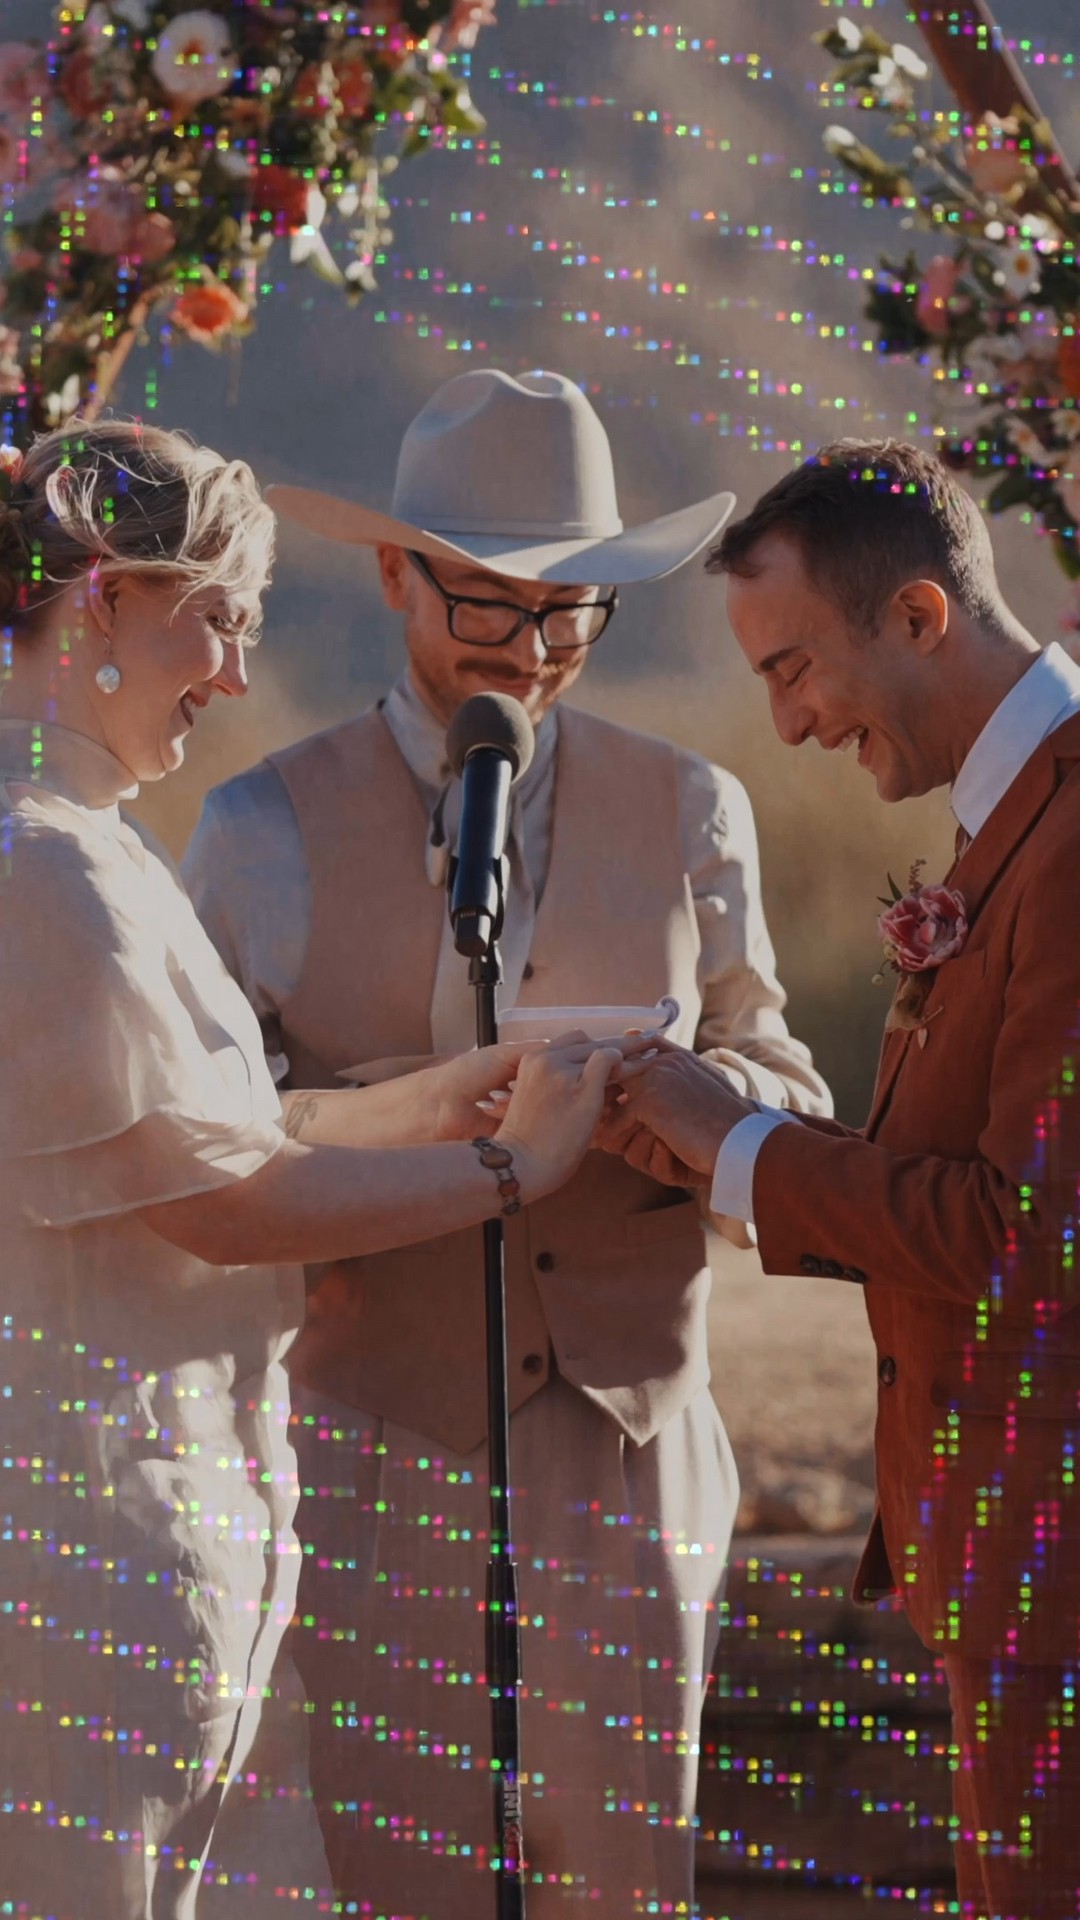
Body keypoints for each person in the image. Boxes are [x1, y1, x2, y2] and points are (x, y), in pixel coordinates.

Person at [183, 366, 832, 1915]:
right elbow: (201, 1147)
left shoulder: (695, 808)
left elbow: (782, 1076)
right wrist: (425, 1105)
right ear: (397, 573)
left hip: (628, 1439)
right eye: (491, 608)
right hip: (368, 1441)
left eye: (571, 612)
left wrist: (703, 1112)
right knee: (389, 1870)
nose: (534, 655)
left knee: (622, 1875)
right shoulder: (256, 828)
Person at [0, 417, 634, 1920]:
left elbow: (221, 1134)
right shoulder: (46, 868)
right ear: (102, 596)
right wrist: (508, 1178)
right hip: (84, 1546)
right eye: (215, 620)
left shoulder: (98, 851)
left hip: (166, 1520)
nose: (232, 674)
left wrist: (432, 1107)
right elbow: (219, 1207)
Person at [601, 438, 1080, 1920]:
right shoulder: (1010, 819)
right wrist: (725, 1153)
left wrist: (740, 1138)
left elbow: (1024, 1241)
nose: (789, 723)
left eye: (796, 667)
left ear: (922, 618)